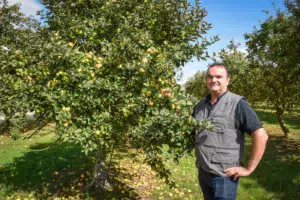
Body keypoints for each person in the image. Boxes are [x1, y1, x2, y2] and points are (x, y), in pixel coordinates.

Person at [192, 63, 268, 200]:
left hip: (224, 176)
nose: (213, 80)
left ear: (228, 80)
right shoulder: (200, 105)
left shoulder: (238, 104)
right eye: (210, 76)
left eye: (218, 76)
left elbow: (261, 135)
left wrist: (249, 169)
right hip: (203, 171)